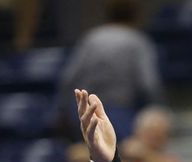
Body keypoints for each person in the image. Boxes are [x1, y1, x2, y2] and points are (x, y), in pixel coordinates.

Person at [58, 0, 162, 139]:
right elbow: (148, 84)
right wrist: (158, 110)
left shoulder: (92, 38)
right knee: (120, 156)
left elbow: (69, 78)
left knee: (92, 155)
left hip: (87, 112)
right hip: (119, 115)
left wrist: (62, 111)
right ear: (136, 17)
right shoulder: (138, 41)